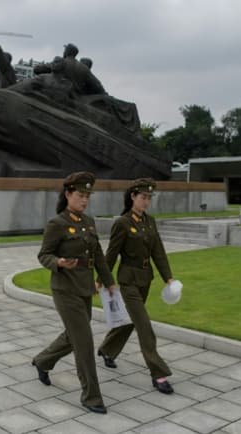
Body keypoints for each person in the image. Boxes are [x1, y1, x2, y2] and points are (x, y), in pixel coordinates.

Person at [32, 171, 116, 414]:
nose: (85, 200)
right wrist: (58, 262)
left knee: (74, 335)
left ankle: (43, 361)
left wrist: (108, 282)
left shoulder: (88, 221)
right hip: (65, 289)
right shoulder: (57, 224)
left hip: (84, 287)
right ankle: (91, 396)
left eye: (88, 196)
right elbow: (43, 255)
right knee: (84, 342)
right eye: (81, 195)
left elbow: (98, 255)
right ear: (68, 194)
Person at [97, 178, 177, 394]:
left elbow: (158, 252)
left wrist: (168, 278)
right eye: (143, 197)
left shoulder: (150, 221)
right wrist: (103, 279)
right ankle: (158, 373)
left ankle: (106, 350)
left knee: (130, 320)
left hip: (145, 279)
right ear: (132, 196)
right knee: (144, 325)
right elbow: (111, 253)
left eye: (149, 198)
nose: (146, 202)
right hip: (128, 281)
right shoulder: (122, 223)